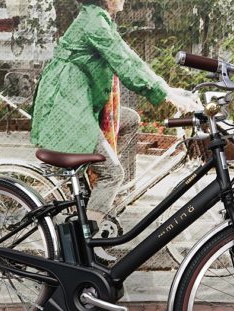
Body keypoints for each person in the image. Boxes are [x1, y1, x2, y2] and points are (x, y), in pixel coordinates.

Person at [31, 0, 200, 227]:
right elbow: (125, 64)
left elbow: (131, 58)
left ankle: (113, 196)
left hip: (76, 103)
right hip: (65, 108)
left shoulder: (99, 19)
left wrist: (169, 91)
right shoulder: (94, 21)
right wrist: (168, 96)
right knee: (112, 174)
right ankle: (88, 237)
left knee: (130, 120)